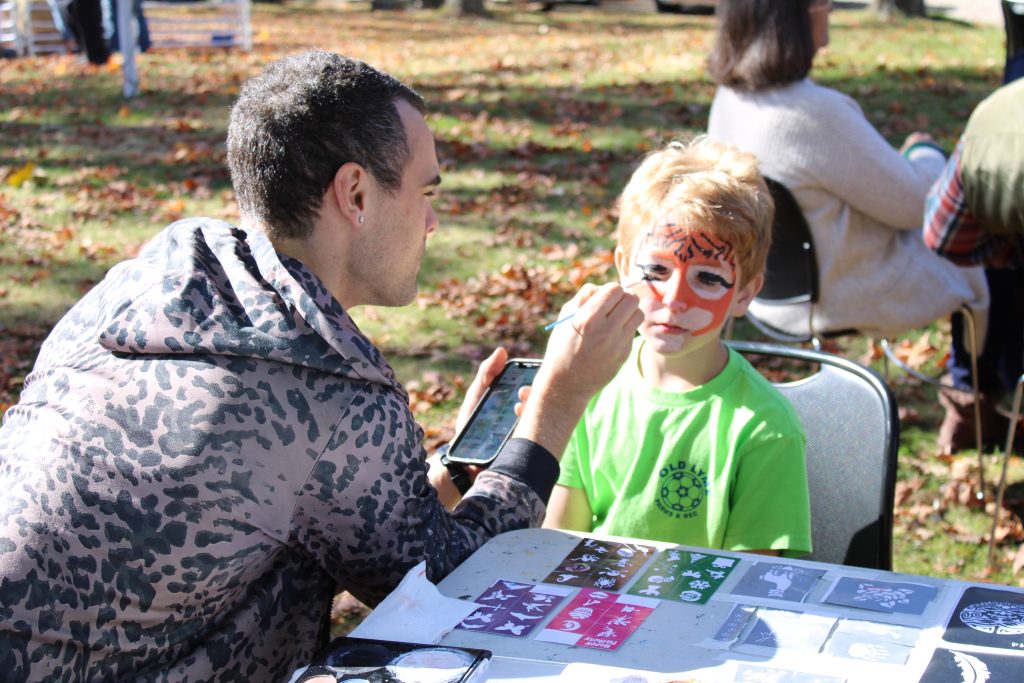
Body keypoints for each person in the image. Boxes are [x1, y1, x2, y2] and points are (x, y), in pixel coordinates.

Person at [0, 51, 643, 680]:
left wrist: (450, 465)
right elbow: (452, 584)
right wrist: (557, 404)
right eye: (424, 192)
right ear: (355, 193)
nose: (432, 221)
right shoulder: (326, 384)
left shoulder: (136, 288)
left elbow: (322, 507)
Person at [544, 138, 812, 558]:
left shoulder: (765, 427)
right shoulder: (588, 387)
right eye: (656, 270)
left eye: (707, 278)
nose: (674, 299)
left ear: (744, 292)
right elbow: (558, 548)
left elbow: (750, 580)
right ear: (623, 267)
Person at [706, 1, 989, 360]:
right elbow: (917, 205)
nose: (831, 10)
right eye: (825, 2)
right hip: (842, 294)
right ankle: (978, 385)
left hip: (763, 290)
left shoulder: (729, 98)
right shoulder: (814, 113)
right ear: (797, 15)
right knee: (982, 245)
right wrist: (926, 151)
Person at [924, 77, 1024, 450]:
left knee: (990, 267)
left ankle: (969, 407)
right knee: (993, 270)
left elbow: (942, 234)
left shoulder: (998, 110)